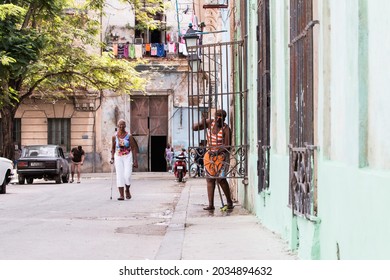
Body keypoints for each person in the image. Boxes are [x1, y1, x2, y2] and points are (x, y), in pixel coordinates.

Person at [193, 109, 233, 210]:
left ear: (224, 119)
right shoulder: (210, 123)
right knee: (210, 179)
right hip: (209, 156)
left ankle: (229, 202)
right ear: (214, 118)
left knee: (221, 179)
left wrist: (218, 151)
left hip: (221, 157)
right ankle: (211, 205)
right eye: (216, 118)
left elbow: (227, 145)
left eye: (221, 119)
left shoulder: (226, 129)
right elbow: (194, 128)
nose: (218, 121)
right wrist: (202, 121)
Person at [110, 119, 138, 200]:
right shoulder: (114, 136)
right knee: (119, 176)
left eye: (123, 125)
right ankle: (121, 195)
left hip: (127, 156)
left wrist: (135, 160)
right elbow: (113, 148)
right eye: (120, 125)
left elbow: (133, 148)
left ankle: (127, 190)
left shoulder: (129, 136)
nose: (121, 126)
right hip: (118, 157)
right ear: (118, 126)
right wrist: (112, 157)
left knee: (127, 176)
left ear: (125, 126)